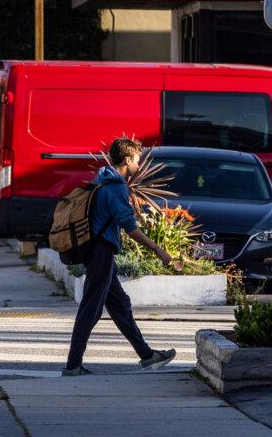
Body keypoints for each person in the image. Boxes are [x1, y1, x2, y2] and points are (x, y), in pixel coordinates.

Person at [63, 137, 177, 376]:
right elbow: (129, 227)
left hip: (98, 250)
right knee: (91, 308)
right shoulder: (115, 186)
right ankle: (73, 365)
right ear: (127, 159)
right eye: (137, 159)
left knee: (119, 305)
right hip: (100, 251)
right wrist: (159, 251)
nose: (139, 164)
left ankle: (146, 355)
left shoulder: (102, 179)